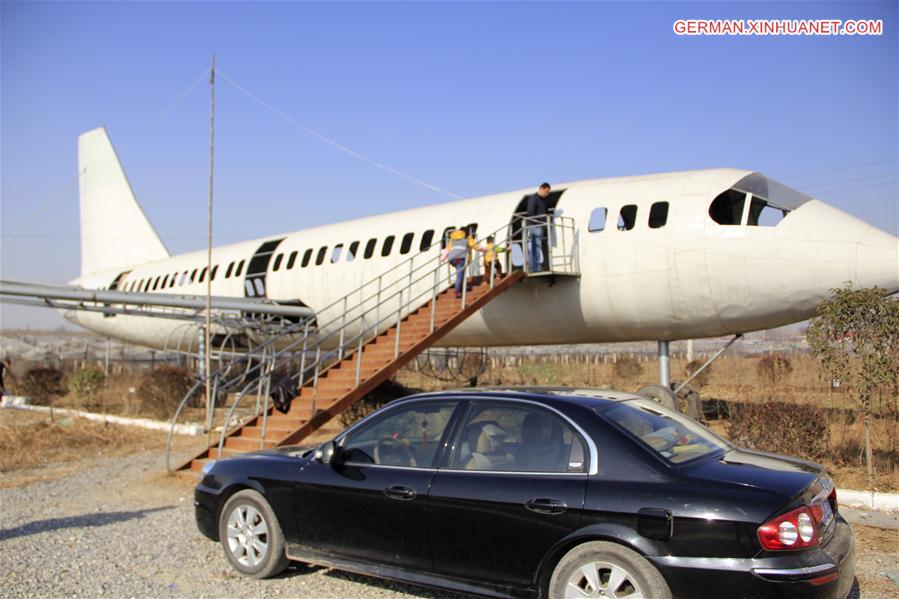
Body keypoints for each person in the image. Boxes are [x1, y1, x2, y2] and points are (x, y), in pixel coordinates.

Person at [526, 182, 552, 272]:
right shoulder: (533, 199)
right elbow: (530, 213)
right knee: (535, 246)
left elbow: (546, 212)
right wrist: (542, 218)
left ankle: (534, 267)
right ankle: (534, 268)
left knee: (537, 246)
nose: (547, 194)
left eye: (548, 192)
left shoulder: (545, 200)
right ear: (541, 188)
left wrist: (547, 217)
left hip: (541, 226)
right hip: (534, 225)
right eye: (546, 192)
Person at [440, 228, 471, 298]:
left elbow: (447, 250)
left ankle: (461, 288)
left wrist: (442, 258)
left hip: (452, 259)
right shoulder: (466, 240)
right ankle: (456, 292)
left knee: (460, 273)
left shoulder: (452, 240)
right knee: (459, 275)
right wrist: (484, 250)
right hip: (460, 259)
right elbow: (474, 246)